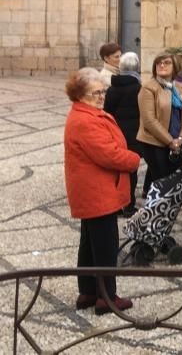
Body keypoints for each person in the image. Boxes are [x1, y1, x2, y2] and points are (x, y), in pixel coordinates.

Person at [64, 68, 140, 315]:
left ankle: (87, 292)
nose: (101, 96)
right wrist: (133, 159)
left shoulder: (86, 114)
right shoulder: (86, 120)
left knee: (90, 243)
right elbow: (107, 154)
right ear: (80, 94)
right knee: (105, 245)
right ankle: (106, 297)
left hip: (93, 189)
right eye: (95, 92)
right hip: (97, 191)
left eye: (102, 91)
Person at [137, 52, 182, 196]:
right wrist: (170, 141)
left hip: (176, 142)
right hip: (154, 143)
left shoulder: (179, 88)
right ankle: (158, 214)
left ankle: (166, 212)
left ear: (175, 67)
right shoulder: (149, 88)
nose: (162, 65)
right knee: (163, 184)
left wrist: (180, 139)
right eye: (158, 63)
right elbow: (149, 120)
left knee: (174, 182)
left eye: (166, 62)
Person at [103, 52, 143, 216]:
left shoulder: (113, 88)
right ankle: (128, 204)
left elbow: (107, 112)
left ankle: (116, 203)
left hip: (116, 134)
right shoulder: (139, 88)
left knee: (117, 170)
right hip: (134, 135)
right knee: (131, 170)